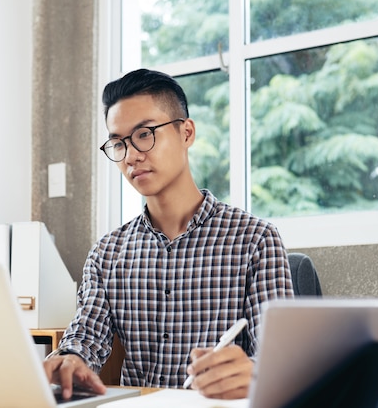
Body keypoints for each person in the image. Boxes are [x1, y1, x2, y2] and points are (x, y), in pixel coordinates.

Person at [43, 68, 294, 400]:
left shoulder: (255, 240)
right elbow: (85, 339)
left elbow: (284, 363)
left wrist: (256, 374)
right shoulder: (107, 254)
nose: (131, 155)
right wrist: (68, 360)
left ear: (186, 133)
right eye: (118, 143)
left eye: (144, 134)